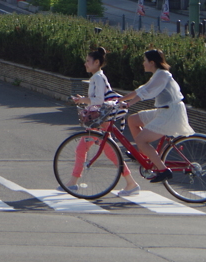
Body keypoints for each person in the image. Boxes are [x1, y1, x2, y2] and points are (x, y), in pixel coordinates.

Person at [69, 46, 142, 197]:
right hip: (101, 118)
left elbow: (98, 100)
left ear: (96, 62)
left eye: (88, 61)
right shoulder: (98, 77)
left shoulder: (97, 78)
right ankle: (130, 182)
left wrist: (82, 100)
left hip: (99, 119)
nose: (85, 64)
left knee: (85, 149)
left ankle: (72, 183)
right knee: (107, 150)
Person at [121, 48, 194, 184]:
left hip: (171, 113)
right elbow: (141, 89)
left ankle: (163, 170)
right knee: (132, 120)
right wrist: (120, 100)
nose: (143, 63)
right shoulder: (157, 74)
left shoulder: (163, 75)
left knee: (142, 140)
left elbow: (146, 92)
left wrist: (128, 104)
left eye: (145, 61)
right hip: (162, 111)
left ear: (152, 62)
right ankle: (143, 154)